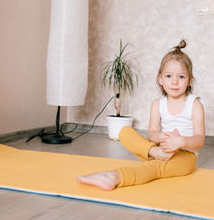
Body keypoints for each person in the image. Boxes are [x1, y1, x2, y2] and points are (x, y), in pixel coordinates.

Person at [77, 40, 205, 190]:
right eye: (169, 76)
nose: (175, 82)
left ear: (190, 80)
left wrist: (180, 142)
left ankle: (115, 176)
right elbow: (152, 135)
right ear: (160, 79)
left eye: (181, 77)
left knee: (154, 168)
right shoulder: (157, 104)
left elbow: (199, 140)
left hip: (185, 156)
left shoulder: (195, 104)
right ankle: (156, 154)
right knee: (124, 131)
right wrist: (163, 139)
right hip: (158, 150)